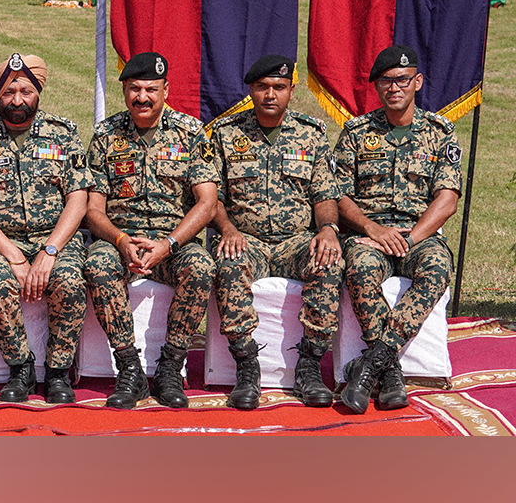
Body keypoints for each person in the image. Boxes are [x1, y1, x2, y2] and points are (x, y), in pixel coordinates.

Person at [83, 52, 219, 409]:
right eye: (134, 89)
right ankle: (129, 368)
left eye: (150, 89)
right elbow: (93, 209)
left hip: (172, 239)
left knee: (201, 267)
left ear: (165, 90)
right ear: (125, 90)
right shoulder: (105, 136)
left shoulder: (190, 133)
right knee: (96, 265)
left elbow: (206, 203)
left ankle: (171, 366)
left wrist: (168, 244)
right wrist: (121, 240)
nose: (141, 97)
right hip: (119, 238)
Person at [208, 54, 344, 410]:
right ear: (251, 90)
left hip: (296, 241)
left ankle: (310, 366)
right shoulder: (226, 134)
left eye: (279, 87)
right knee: (227, 265)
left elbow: (324, 194)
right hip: (245, 239)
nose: (271, 95)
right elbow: (213, 198)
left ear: (291, 91)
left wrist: (328, 229)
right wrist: (227, 228)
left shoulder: (311, 134)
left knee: (328, 262)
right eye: (262, 87)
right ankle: (247, 366)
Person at [0, 52, 89, 404]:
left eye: (26, 92)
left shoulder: (63, 133)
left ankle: (58, 372)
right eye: (9, 92)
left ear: (38, 92)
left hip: (56, 238)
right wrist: (12, 255)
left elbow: (78, 199)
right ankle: (21, 368)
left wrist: (50, 252)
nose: (17, 101)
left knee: (70, 281)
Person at [334, 46, 462, 414]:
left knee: (437, 269)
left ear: (417, 82)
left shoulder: (439, 133)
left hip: (418, 236)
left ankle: (372, 363)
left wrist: (411, 238)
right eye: (386, 81)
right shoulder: (357, 133)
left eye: (402, 80)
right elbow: (338, 195)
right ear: (376, 87)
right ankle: (390, 376)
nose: (394, 87)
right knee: (357, 267)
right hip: (370, 235)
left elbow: (447, 199)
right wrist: (372, 229)